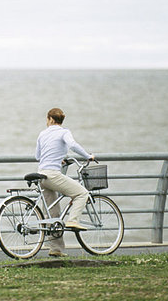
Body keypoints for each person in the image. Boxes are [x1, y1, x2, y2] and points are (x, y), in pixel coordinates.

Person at [35, 107, 96, 258]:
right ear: (61, 120)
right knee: (82, 193)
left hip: (41, 175)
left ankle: (55, 249)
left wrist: (57, 156)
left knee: (52, 212)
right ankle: (73, 220)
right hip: (53, 175)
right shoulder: (64, 132)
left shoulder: (42, 134)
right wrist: (88, 156)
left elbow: (38, 156)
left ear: (50, 119)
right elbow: (73, 145)